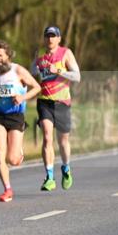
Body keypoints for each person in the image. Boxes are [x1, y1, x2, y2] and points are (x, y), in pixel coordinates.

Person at [0, 39, 41, 202]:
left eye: (1, 56)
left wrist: (22, 97)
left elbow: (37, 88)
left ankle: (19, 153)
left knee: (13, 159)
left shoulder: (18, 71)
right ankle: (7, 189)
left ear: (8, 55)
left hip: (15, 116)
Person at [31, 26, 81, 191]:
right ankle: (49, 177)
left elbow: (77, 76)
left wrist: (58, 70)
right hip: (44, 102)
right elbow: (31, 75)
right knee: (47, 137)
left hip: (62, 103)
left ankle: (66, 168)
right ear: (44, 39)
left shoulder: (66, 53)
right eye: (47, 36)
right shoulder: (40, 57)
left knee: (63, 141)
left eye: (53, 36)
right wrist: (35, 69)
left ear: (59, 39)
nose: (50, 39)